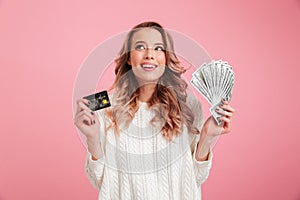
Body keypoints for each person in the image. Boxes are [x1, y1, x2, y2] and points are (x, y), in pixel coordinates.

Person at [74, 21, 235, 200]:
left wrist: (207, 136)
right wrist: (92, 137)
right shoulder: (104, 105)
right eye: (140, 46)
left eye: (158, 48)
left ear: (166, 58)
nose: (149, 55)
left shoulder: (188, 106)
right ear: (128, 58)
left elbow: (195, 178)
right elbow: (99, 181)